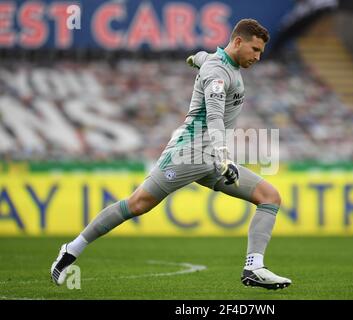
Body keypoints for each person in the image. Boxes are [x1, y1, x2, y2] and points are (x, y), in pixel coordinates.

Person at [50, 18, 292, 290]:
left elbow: (206, 59)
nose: (258, 57)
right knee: (137, 204)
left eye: (260, 52)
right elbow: (213, 116)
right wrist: (225, 157)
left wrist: (196, 59)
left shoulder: (221, 64)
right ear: (238, 42)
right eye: (255, 49)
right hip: (188, 153)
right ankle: (71, 249)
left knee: (269, 197)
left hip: (211, 159)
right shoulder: (218, 72)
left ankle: (254, 267)